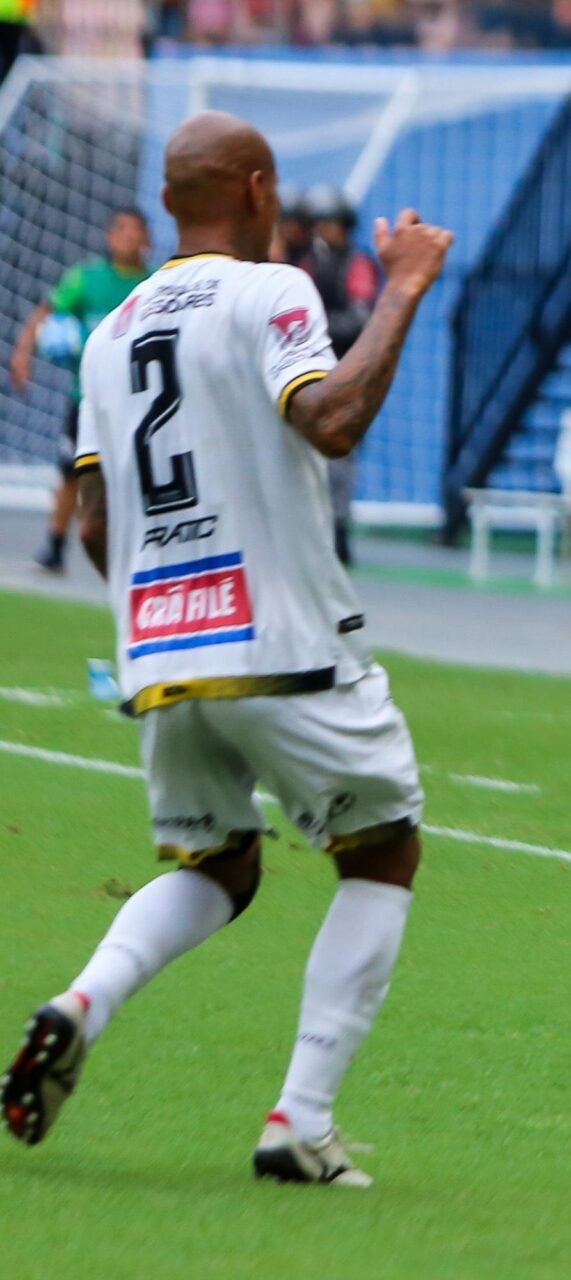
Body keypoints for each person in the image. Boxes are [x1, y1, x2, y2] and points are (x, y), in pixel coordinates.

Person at [0, 112, 452, 1186]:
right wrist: (403, 286)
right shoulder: (276, 290)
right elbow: (332, 418)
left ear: (167, 201)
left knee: (219, 862)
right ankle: (300, 1118)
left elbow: (99, 518)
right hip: (283, 637)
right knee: (382, 847)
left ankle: (83, 1001)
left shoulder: (113, 331)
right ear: (257, 188)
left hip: (160, 647)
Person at [10, 208, 152, 574]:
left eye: (136, 232)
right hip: (86, 398)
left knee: (136, 476)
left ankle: (140, 552)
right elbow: (45, 311)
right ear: (109, 236)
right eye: (122, 230)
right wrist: (23, 354)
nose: (129, 238)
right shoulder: (86, 279)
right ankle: (55, 547)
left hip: (138, 400)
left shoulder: (153, 284)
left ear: (147, 239)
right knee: (71, 472)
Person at [299, 185, 382, 568]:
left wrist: (317, 325)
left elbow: (360, 317)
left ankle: (337, 528)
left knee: (341, 457)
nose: (323, 230)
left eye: (330, 223)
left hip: (347, 370)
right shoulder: (308, 263)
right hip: (311, 369)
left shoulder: (358, 264)